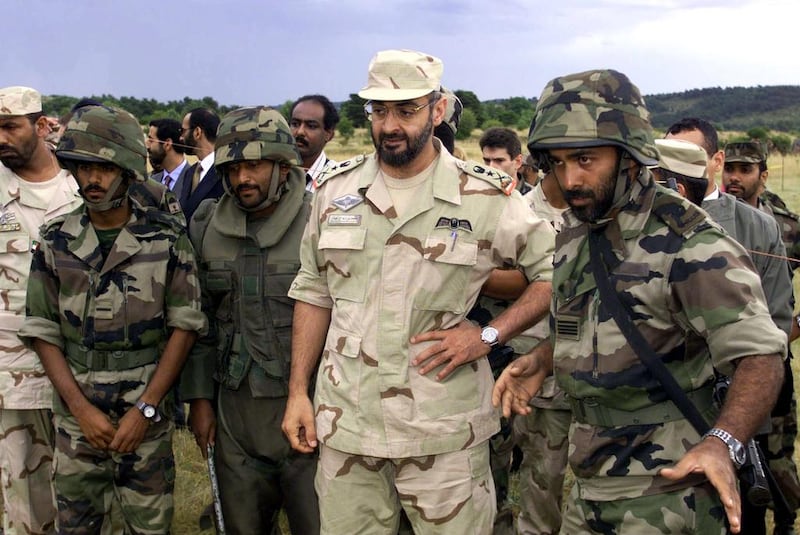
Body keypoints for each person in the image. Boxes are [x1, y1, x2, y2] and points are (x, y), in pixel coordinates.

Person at [494, 68, 787, 534]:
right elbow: (594, 319)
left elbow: (762, 356)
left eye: (586, 159)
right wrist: (544, 359)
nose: (570, 179)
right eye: (559, 162)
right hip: (589, 483)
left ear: (630, 154)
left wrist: (721, 442)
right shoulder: (576, 230)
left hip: (670, 489)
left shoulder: (691, 244)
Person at [281, 48, 556, 535]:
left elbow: (555, 274)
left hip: (443, 433)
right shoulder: (332, 193)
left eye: (407, 110)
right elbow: (313, 292)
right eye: (380, 110)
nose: (391, 125)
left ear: (438, 110)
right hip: (349, 424)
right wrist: (297, 392)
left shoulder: (484, 196)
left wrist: (489, 335)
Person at [18, 104, 207, 534]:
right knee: (78, 524)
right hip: (76, 415)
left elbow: (185, 326)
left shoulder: (165, 238)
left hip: (145, 410)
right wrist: (80, 409)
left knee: (149, 524)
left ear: (124, 168)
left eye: (102, 168)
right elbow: (43, 331)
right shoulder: (56, 239)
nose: (92, 180)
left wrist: (146, 407)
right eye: (82, 168)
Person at [182, 106, 320, 534]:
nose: (243, 178)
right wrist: (201, 401)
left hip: (311, 405)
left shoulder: (321, 220)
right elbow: (199, 320)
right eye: (234, 166)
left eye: (255, 165)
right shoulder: (206, 225)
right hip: (235, 412)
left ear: (282, 165)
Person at [0, 86, 82, 534]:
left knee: (84, 489)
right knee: (24, 498)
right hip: (12, 367)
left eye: (11, 126)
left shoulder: (80, 180)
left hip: (82, 362)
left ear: (41, 125)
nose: (2, 137)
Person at [722, 140, 800, 534]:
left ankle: (785, 519)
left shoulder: (786, 223)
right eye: (729, 168)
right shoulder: (712, 220)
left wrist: (796, 326)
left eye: (745, 170)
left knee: (777, 453)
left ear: (763, 176)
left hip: (774, 355)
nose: (734, 178)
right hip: (727, 359)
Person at [512, 165, 570, 535]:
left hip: (603, 370)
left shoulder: (609, 209)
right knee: (541, 479)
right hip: (537, 372)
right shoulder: (517, 211)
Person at [179, 107, 223, 222]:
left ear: (197, 132)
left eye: (183, 131)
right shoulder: (190, 173)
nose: (181, 137)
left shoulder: (224, 171)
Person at [289, 95, 339, 192]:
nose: (300, 132)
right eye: (295, 124)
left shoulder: (338, 180)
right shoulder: (273, 174)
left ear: (329, 134)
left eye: (311, 126)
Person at [147, 118, 192, 196]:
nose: (147, 146)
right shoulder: (151, 181)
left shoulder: (195, 181)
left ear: (167, 144)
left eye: (151, 140)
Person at [480, 127, 530, 194]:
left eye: (499, 160)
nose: (491, 167)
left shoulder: (533, 198)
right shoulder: (475, 193)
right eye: (487, 160)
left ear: (518, 162)